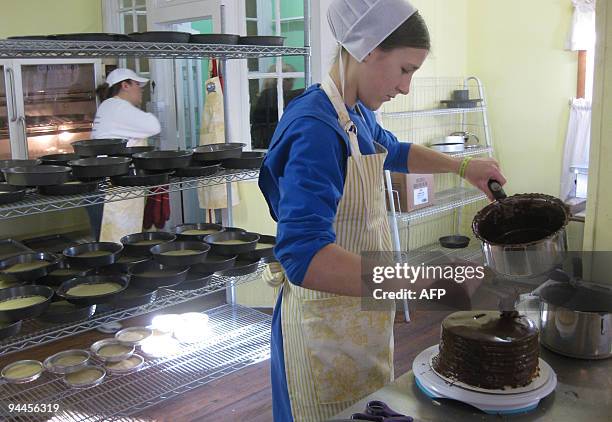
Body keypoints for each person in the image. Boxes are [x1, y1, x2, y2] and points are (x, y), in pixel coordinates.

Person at [258, 1, 507, 421]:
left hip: (355, 316)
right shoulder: (316, 128)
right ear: (368, 49)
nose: (406, 87)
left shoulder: (354, 113)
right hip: (320, 328)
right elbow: (304, 257)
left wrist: (465, 167)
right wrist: (421, 281)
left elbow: (394, 151)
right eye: (405, 69)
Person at [88, 68, 162, 241]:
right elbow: (153, 126)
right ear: (125, 85)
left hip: (103, 186)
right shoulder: (117, 107)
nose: (141, 89)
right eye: (137, 84)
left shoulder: (109, 106)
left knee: (108, 245)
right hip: (110, 191)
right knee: (113, 245)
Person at [250, 63, 305, 149]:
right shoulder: (268, 95)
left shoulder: (267, 95)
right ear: (277, 80)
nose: (291, 84)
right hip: (267, 142)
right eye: (288, 79)